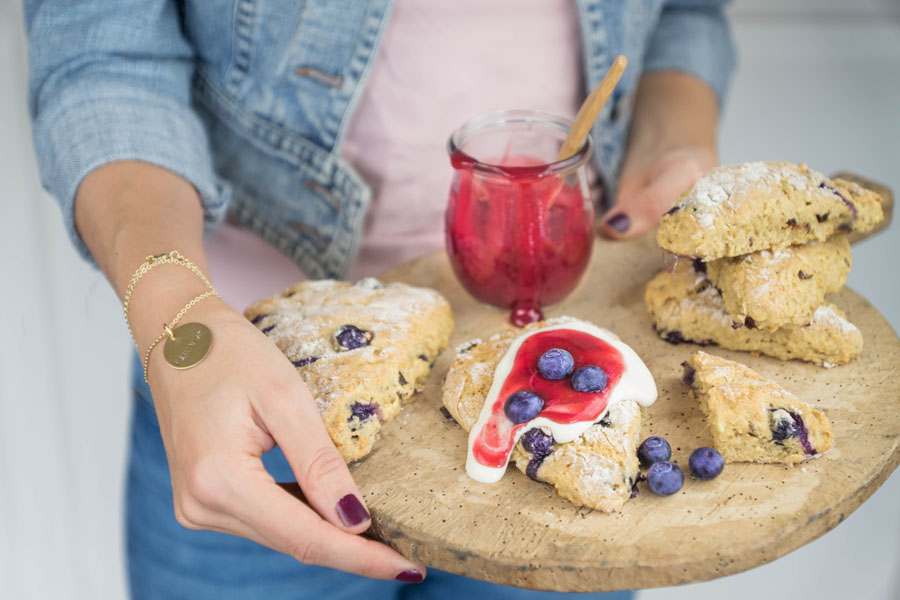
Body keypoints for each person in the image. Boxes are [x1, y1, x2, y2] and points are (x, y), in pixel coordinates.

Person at [24, 1, 735, 598]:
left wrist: (676, 146)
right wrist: (180, 322)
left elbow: (684, 12)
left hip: (562, 398)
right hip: (251, 395)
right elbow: (104, 56)